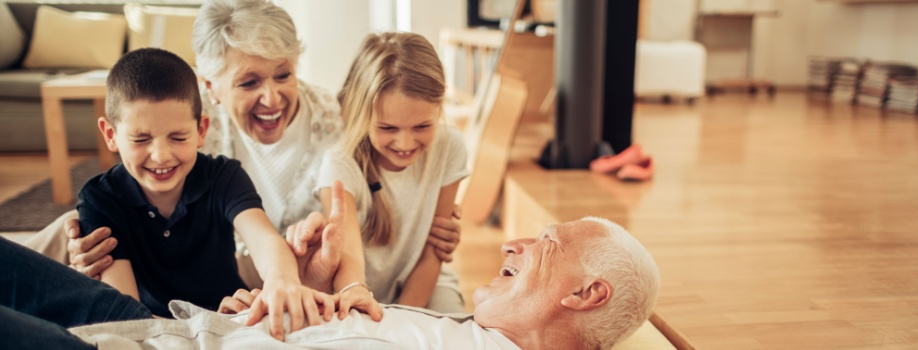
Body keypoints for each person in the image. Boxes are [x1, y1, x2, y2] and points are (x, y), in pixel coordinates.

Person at [23, 0, 462, 295]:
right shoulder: (187, 130)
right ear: (210, 86)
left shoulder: (341, 119)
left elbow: (395, 173)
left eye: (283, 75)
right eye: (249, 82)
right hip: (208, 264)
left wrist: (435, 224)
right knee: (77, 226)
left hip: (292, 272)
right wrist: (90, 250)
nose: (271, 98)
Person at [1, 217, 661, 350]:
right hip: (184, 325)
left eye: (547, 244)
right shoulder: (469, 330)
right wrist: (274, 308)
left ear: (584, 294)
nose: (515, 241)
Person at [77, 47, 348, 338]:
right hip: (159, 331)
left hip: (231, 316)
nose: (161, 155)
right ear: (110, 135)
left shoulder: (223, 176)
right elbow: (127, 316)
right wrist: (203, 324)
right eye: (141, 139)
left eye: (178, 137)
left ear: (201, 130)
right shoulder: (100, 199)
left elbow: (264, 239)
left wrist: (281, 281)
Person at [304, 32, 469, 313]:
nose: (405, 144)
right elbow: (349, 263)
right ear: (362, 113)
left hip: (427, 284)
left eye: (422, 127)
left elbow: (434, 251)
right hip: (354, 291)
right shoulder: (340, 164)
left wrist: (404, 321)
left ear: (439, 108)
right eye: (388, 128)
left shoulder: (450, 147)